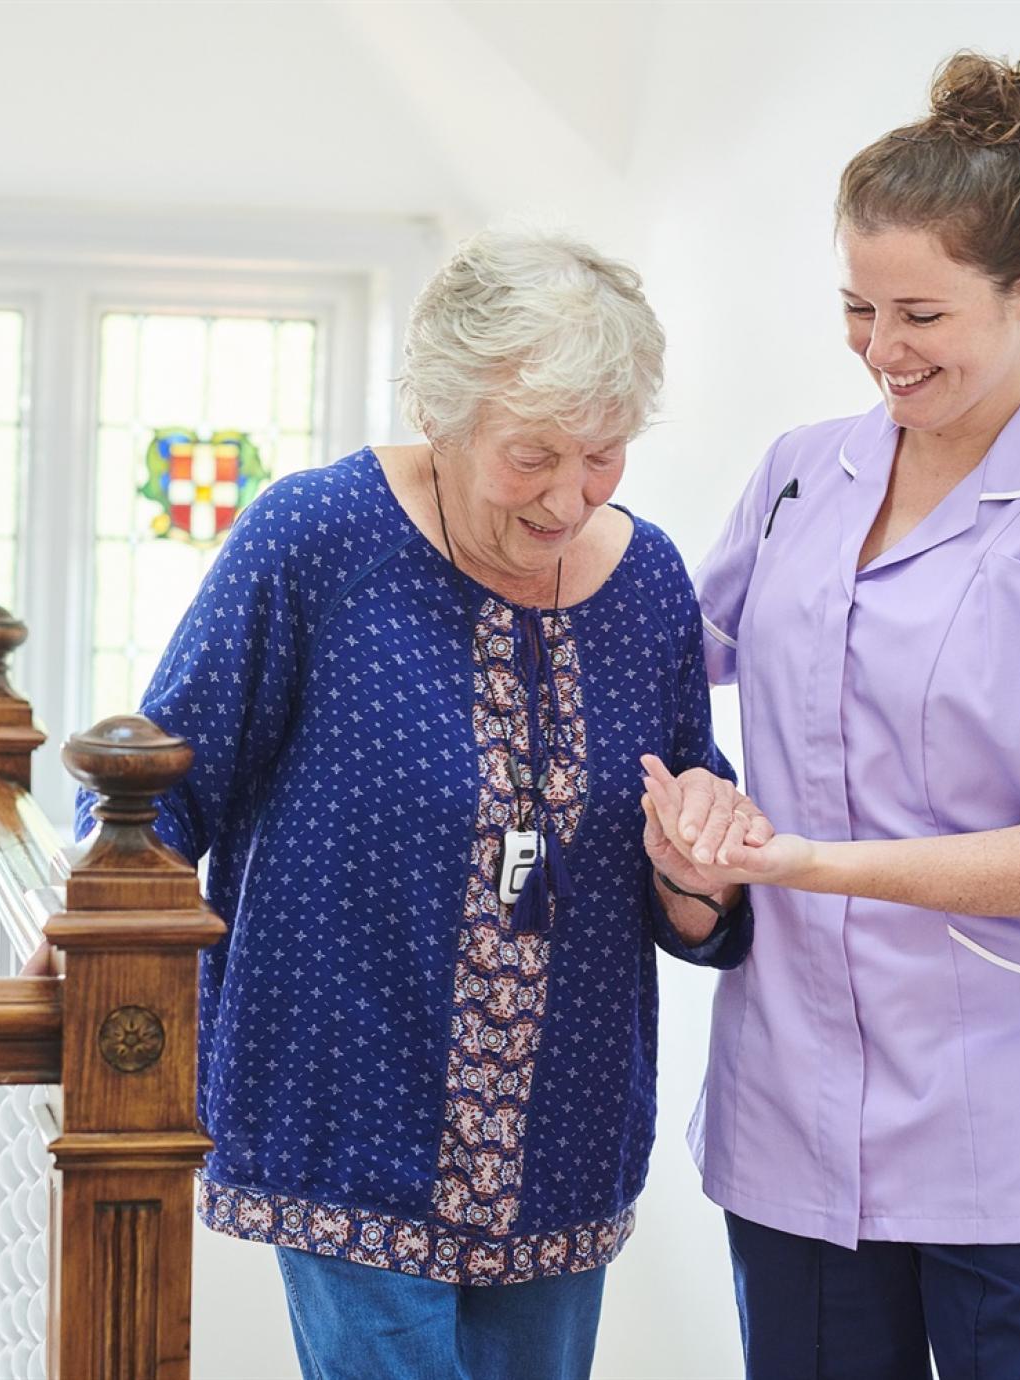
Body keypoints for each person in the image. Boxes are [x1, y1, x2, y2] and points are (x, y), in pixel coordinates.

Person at [76, 228, 757, 1380]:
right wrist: (91, 952)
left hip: (564, 1125)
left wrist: (697, 868)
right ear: (441, 415)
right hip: (343, 1100)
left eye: (602, 455)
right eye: (531, 455)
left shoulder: (646, 582)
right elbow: (163, 790)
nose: (568, 497)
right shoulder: (314, 539)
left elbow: (689, 853)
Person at [643, 53, 1020, 1379]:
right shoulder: (797, 479)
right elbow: (656, 661)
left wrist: (801, 865)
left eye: (922, 316)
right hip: (793, 1118)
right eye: (857, 309)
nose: (883, 352)